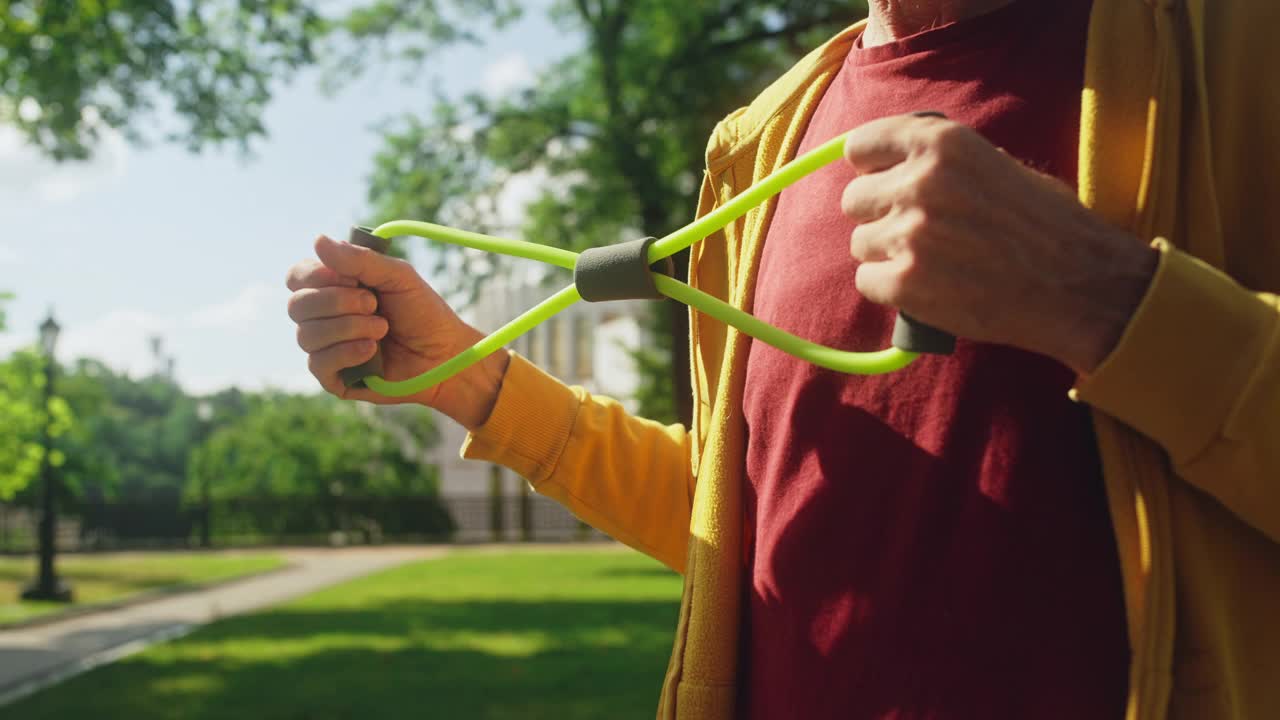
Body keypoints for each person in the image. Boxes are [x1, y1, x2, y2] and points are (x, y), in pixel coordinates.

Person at [285, 0, 1280, 717]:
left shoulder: (1243, 51)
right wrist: (471, 379)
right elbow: (744, 520)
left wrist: (1103, 300)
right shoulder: (756, 145)